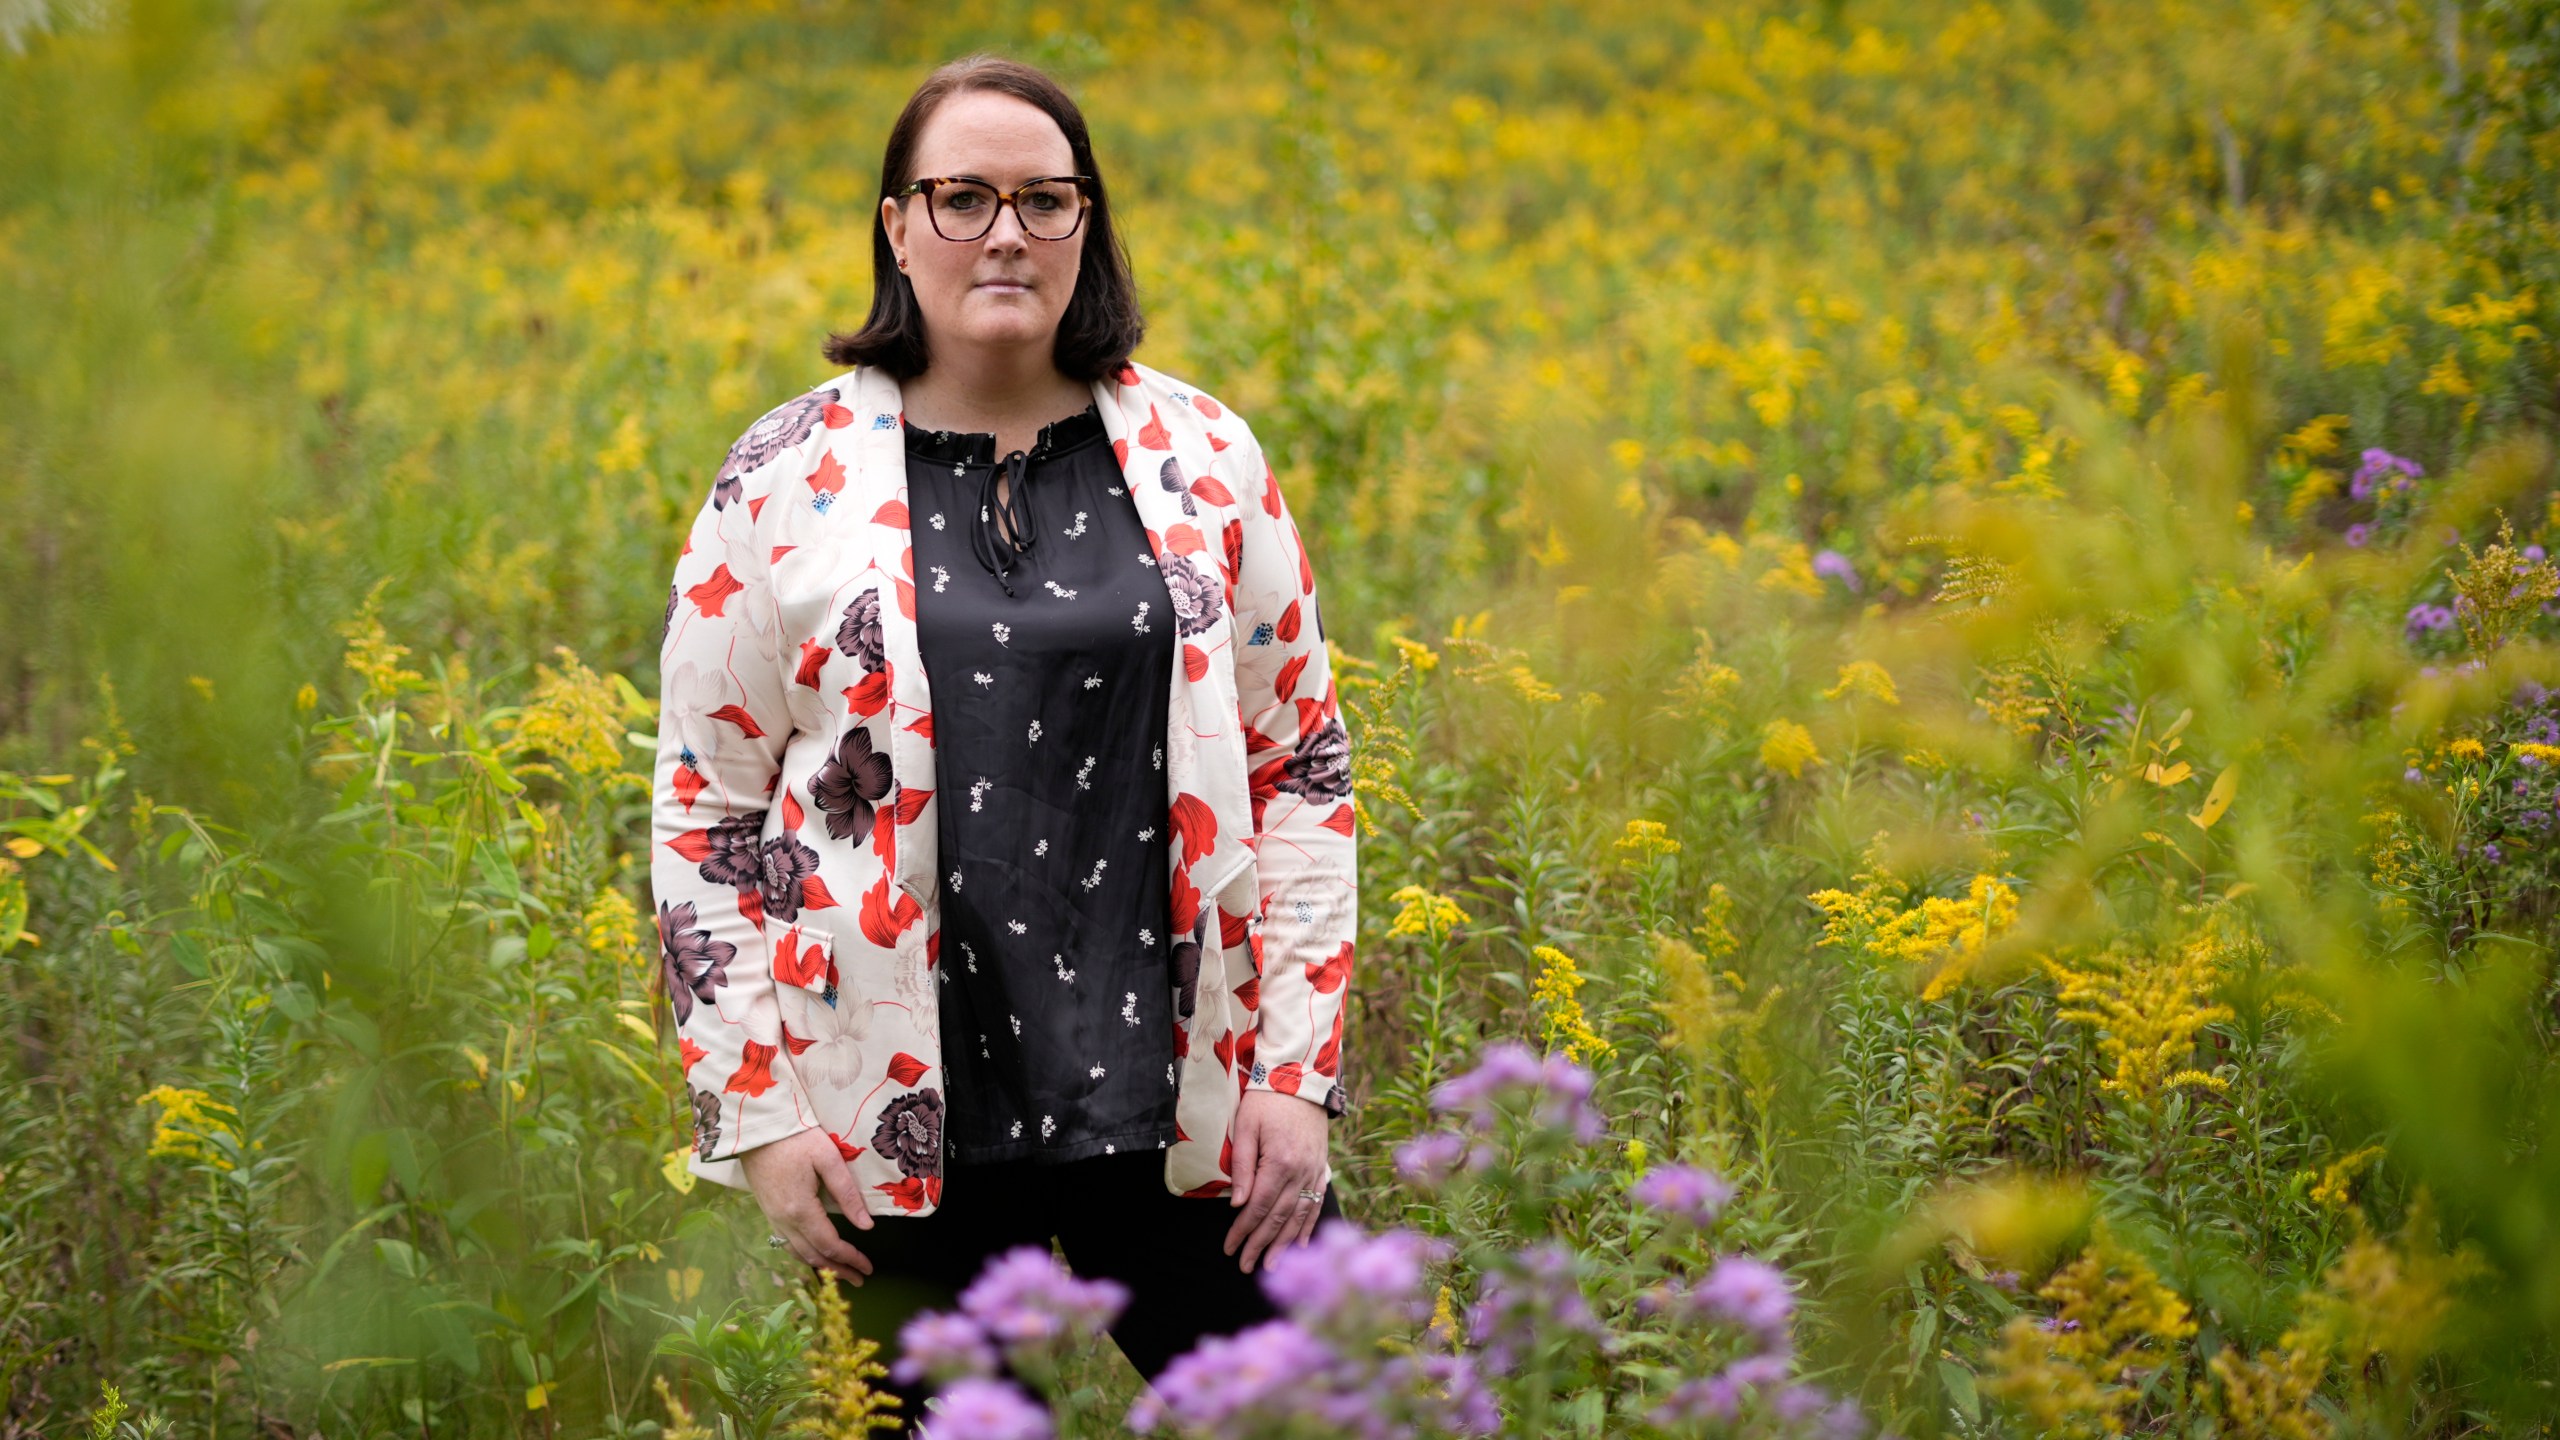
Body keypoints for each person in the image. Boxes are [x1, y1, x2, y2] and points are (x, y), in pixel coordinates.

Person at [647, 53, 1359, 1425]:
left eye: (1045, 198)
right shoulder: (784, 475)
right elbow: (708, 811)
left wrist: (1296, 1079)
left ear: (1086, 223)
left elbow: (1301, 773)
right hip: (895, 1125)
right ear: (896, 225)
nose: (1006, 232)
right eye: (962, 196)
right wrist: (761, 1115)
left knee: (1338, 1413)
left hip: (1192, 1115)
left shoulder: (1206, 454)